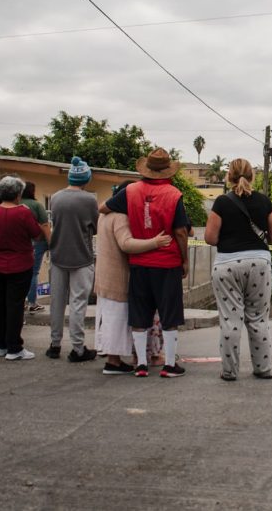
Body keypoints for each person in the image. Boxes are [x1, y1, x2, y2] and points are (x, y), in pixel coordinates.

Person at [101, 148, 191, 379]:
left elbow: (103, 208)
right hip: (167, 262)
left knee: (139, 314)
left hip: (139, 263)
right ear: (167, 170)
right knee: (169, 315)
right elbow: (181, 231)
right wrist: (184, 260)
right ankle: (169, 365)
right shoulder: (173, 194)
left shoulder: (130, 191)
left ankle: (140, 364)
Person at [204, 158, 272, 382]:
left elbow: (210, 238)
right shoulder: (264, 201)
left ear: (229, 177)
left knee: (230, 320)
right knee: (258, 318)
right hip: (259, 263)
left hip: (227, 265)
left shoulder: (221, 202)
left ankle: (229, 371)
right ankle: (263, 368)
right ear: (252, 176)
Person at [94, 180, 172, 375]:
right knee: (118, 321)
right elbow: (126, 244)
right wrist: (155, 242)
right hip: (117, 277)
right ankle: (114, 362)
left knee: (110, 319)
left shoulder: (103, 215)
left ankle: (116, 360)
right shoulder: (120, 216)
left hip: (104, 275)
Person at [0, 176, 48, 360]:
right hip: (19, 265)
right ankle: (14, 347)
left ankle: (0, 344)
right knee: (15, 306)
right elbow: (36, 235)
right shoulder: (23, 213)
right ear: (18, 194)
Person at [46, 156, 100, 363]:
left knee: (57, 301)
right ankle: (78, 348)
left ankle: (54, 344)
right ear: (86, 178)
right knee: (77, 302)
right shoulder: (88, 200)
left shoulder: (56, 197)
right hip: (81, 256)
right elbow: (94, 227)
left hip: (58, 254)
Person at [21, 181, 50, 313]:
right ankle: (32, 302)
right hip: (37, 241)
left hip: (21, 242)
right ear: (32, 191)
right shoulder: (37, 205)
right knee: (34, 272)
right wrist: (51, 242)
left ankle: (21, 301)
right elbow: (44, 225)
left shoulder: (16, 204)